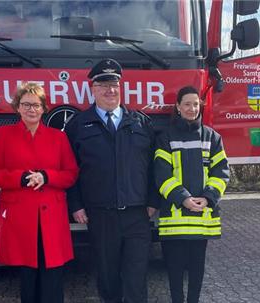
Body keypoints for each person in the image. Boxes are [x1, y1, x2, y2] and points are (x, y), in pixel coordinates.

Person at [65, 58, 158, 303]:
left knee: (136, 277)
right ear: (93, 89)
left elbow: (154, 167)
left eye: (114, 84)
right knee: (108, 278)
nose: (110, 90)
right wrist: (75, 205)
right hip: (101, 215)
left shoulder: (140, 122)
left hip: (137, 214)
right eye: (104, 85)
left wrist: (153, 200)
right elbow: (69, 169)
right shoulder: (78, 125)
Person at [0, 83, 78, 303]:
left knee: (53, 274)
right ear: (17, 107)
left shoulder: (58, 137)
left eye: (36, 105)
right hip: (20, 214)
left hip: (52, 215)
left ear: (44, 108)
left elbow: (71, 173)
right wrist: (20, 178)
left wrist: (46, 177)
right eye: (26, 104)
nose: (31, 109)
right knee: (28, 275)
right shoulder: (3, 134)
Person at [154, 86, 229, 303]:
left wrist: (207, 198)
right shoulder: (165, 138)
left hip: (201, 217)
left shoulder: (212, 137)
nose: (192, 108)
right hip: (175, 217)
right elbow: (162, 175)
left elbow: (221, 173)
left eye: (196, 104)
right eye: (187, 103)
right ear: (177, 107)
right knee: (174, 271)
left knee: (197, 271)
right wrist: (184, 198)